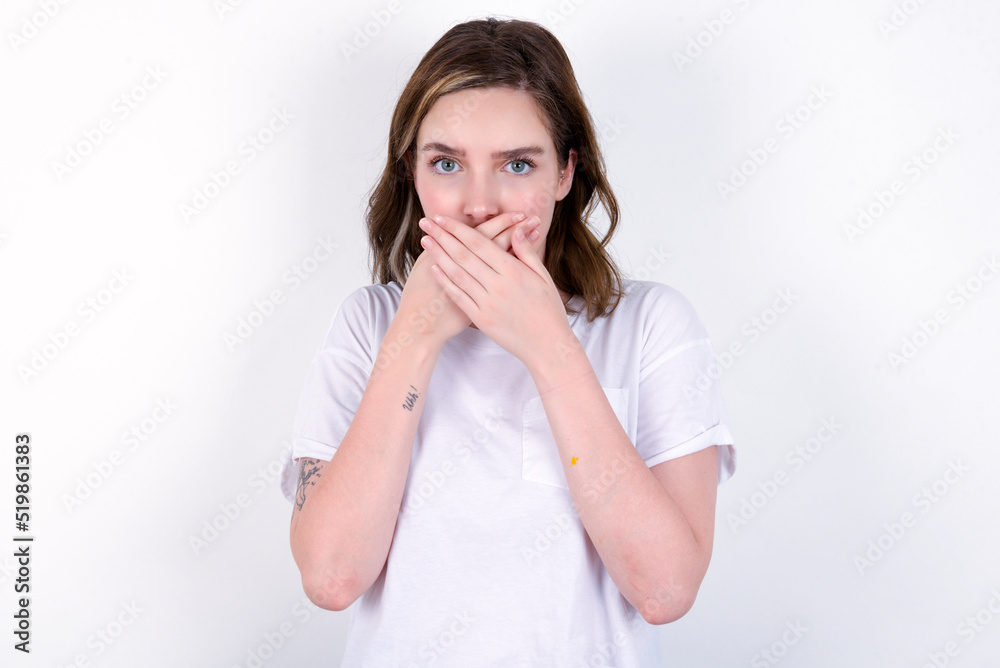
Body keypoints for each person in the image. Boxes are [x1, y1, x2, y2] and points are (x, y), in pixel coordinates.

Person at [279, 16, 737, 666]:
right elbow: (331, 578)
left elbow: (665, 590)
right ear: (412, 172)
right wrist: (415, 338)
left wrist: (549, 347)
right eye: (447, 164)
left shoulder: (652, 326)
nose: (479, 204)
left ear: (565, 172)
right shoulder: (366, 325)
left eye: (517, 164)